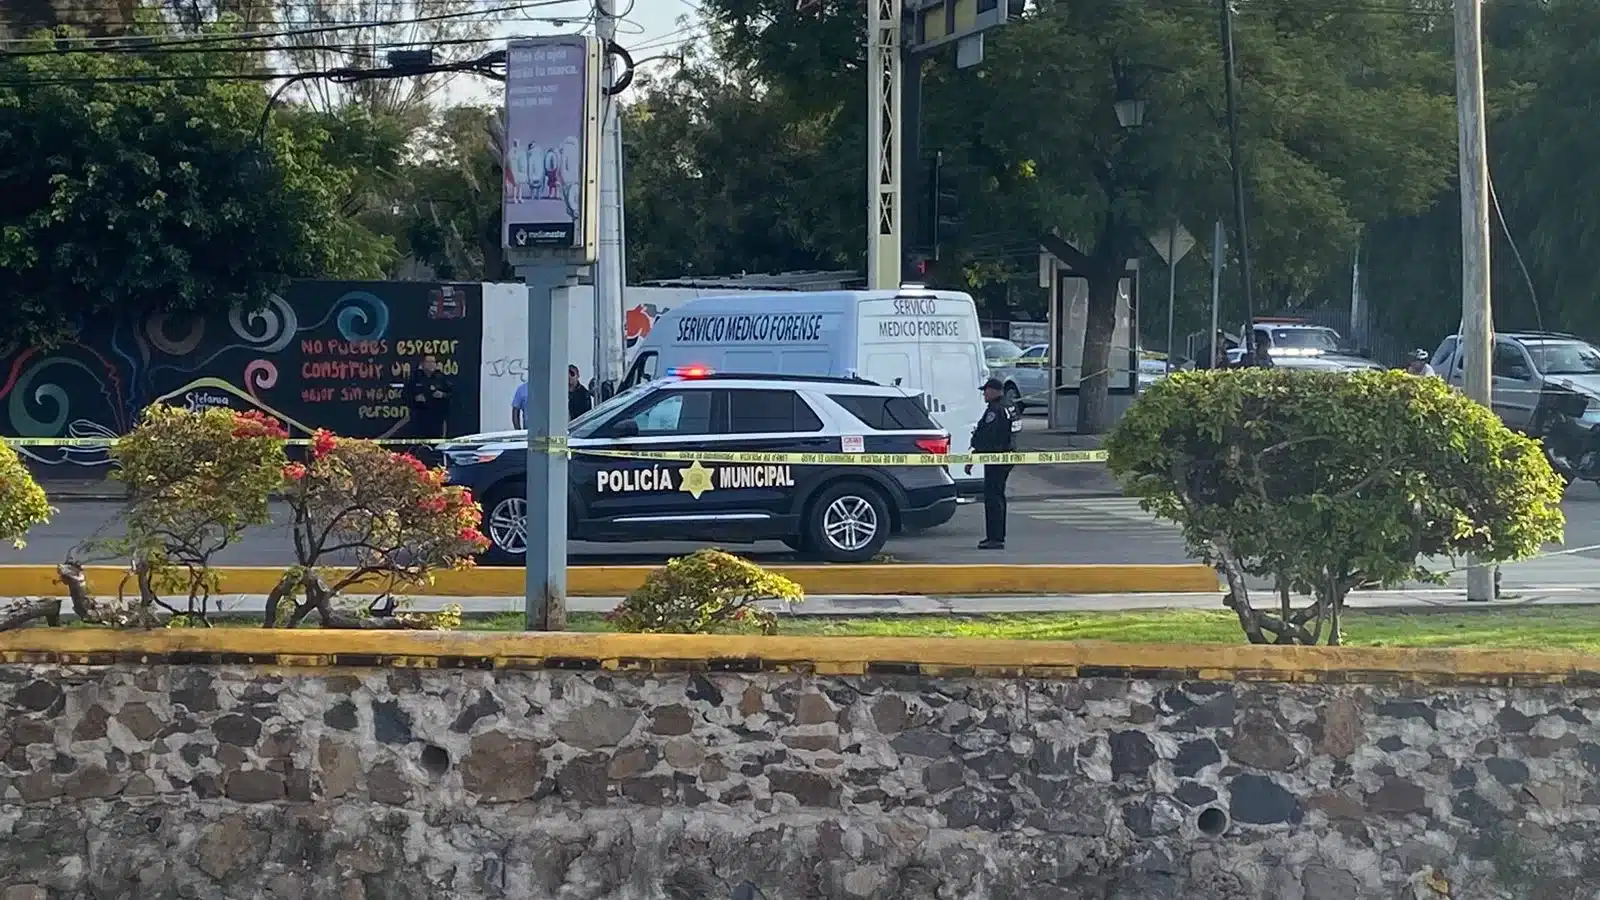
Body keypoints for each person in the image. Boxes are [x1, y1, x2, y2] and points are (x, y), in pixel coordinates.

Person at [964, 376, 1020, 550]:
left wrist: (975, 453)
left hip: (996, 458)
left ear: (995, 391)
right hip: (1006, 456)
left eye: (986, 391)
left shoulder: (995, 410)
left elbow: (988, 436)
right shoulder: (1010, 406)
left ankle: (995, 538)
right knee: (998, 497)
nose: (984, 395)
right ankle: (996, 536)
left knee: (993, 498)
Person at [511, 364, 594, 429]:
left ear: (578, 375)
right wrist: (518, 431)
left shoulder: (583, 393)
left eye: (572, 375)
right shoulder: (523, 389)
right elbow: (515, 410)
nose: (570, 378)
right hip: (531, 430)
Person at [405, 354, 453, 440]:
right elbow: (406, 395)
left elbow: (452, 395)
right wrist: (415, 399)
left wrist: (442, 395)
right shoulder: (415, 378)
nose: (431, 364)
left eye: (433, 362)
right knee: (419, 445)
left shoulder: (441, 378)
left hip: (436, 419)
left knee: (436, 444)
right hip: (419, 418)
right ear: (422, 364)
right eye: (428, 362)